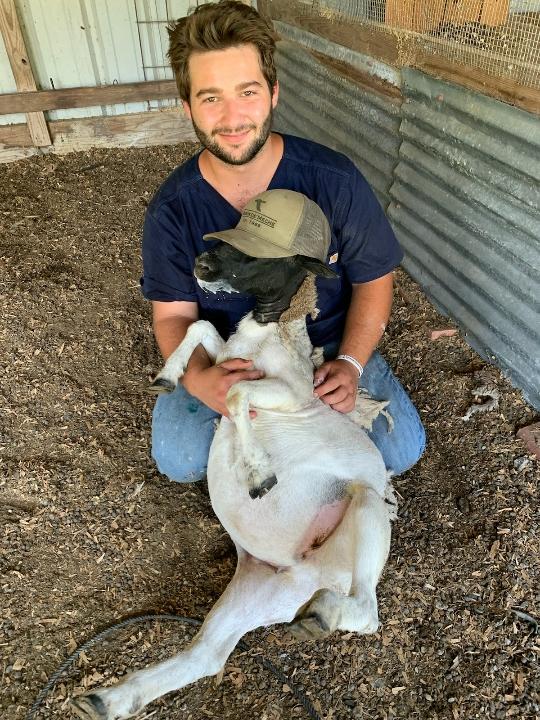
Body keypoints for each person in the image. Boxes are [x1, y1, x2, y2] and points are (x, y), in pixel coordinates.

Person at [141, 0, 425, 483]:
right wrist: (199, 377)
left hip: (323, 343)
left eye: (246, 92)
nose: (232, 117)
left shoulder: (334, 180)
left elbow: (375, 278)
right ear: (187, 106)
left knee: (402, 450)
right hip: (233, 350)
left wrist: (351, 363)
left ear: (274, 92)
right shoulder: (174, 208)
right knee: (178, 459)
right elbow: (172, 315)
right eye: (211, 98)